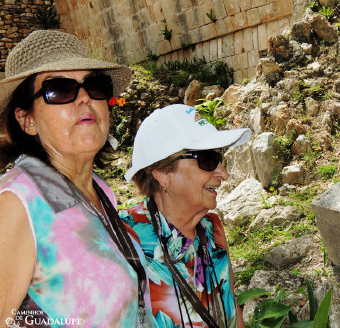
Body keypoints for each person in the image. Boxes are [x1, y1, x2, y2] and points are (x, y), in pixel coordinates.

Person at [0, 30, 153, 327]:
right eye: (59, 90)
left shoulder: (101, 192)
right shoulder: (19, 204)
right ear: (27, 120)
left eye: (95, 86)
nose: (84, 97)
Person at [121, 104, 251, 328]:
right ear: (162, 173)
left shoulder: (213, 229)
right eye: (208, 160)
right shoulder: (123, 237)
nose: (224, 174)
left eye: (221, 159)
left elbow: (232, 309)